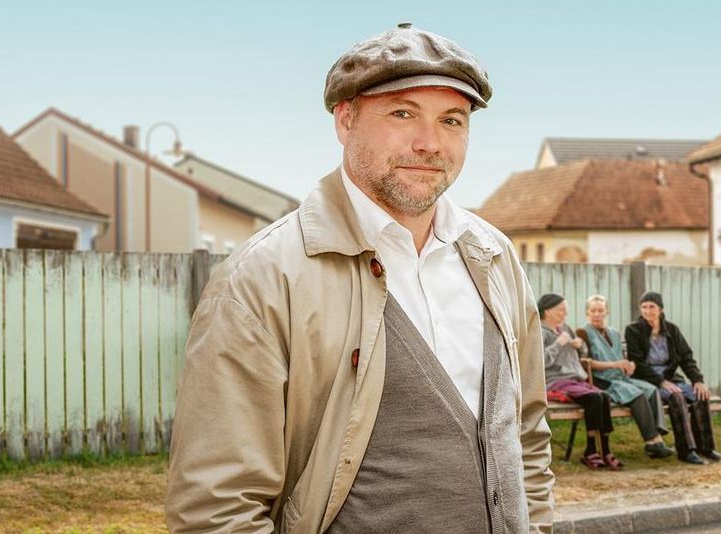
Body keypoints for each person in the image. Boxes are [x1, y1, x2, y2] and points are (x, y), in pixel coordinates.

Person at [166, 23, 556, 533]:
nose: (429, 143)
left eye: (452, 121)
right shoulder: (263, 278)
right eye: (402, 114)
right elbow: (217, 508)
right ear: (345, 120)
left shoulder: (494, 256)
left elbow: (527, 435)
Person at [624, 291, 721, 465]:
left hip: (670, 378)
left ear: (660, 309)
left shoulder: (671, 329)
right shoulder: (633, 330)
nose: (648, 311)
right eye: (644, 307)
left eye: (652, 307)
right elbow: (638, 363)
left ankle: (705, 447)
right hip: (650, 380)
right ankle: (686, 451)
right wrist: (661, 382)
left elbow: (686, 356)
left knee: (700, 395)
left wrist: (697, 380)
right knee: (676, 397)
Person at [576, 295, 674, 460]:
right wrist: (615, 364)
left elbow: (622, 358)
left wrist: (630, 366)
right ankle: (652, 441)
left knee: (651, 389)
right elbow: (585, 364)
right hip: (602, 381)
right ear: (587, 313)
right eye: (593, 311)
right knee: (636, 394)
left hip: (622, 378)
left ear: (607, 312)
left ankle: (658, 438)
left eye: (600, 310)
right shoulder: (583, 333)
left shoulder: (614, 332)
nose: (597, 314)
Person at [539, 293, 623, 470]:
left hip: (575, 380)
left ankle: (606, 449)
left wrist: (580, 345)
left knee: (604, 397)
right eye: (561, 310)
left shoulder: (566, 328)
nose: (564, 314)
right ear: (547, 311)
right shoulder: (539, 332)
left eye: (565, 310)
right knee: (594, 398)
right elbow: (540, 362)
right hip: (554, 382)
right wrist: (558, 344)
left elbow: (582, 354)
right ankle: (591, 450)